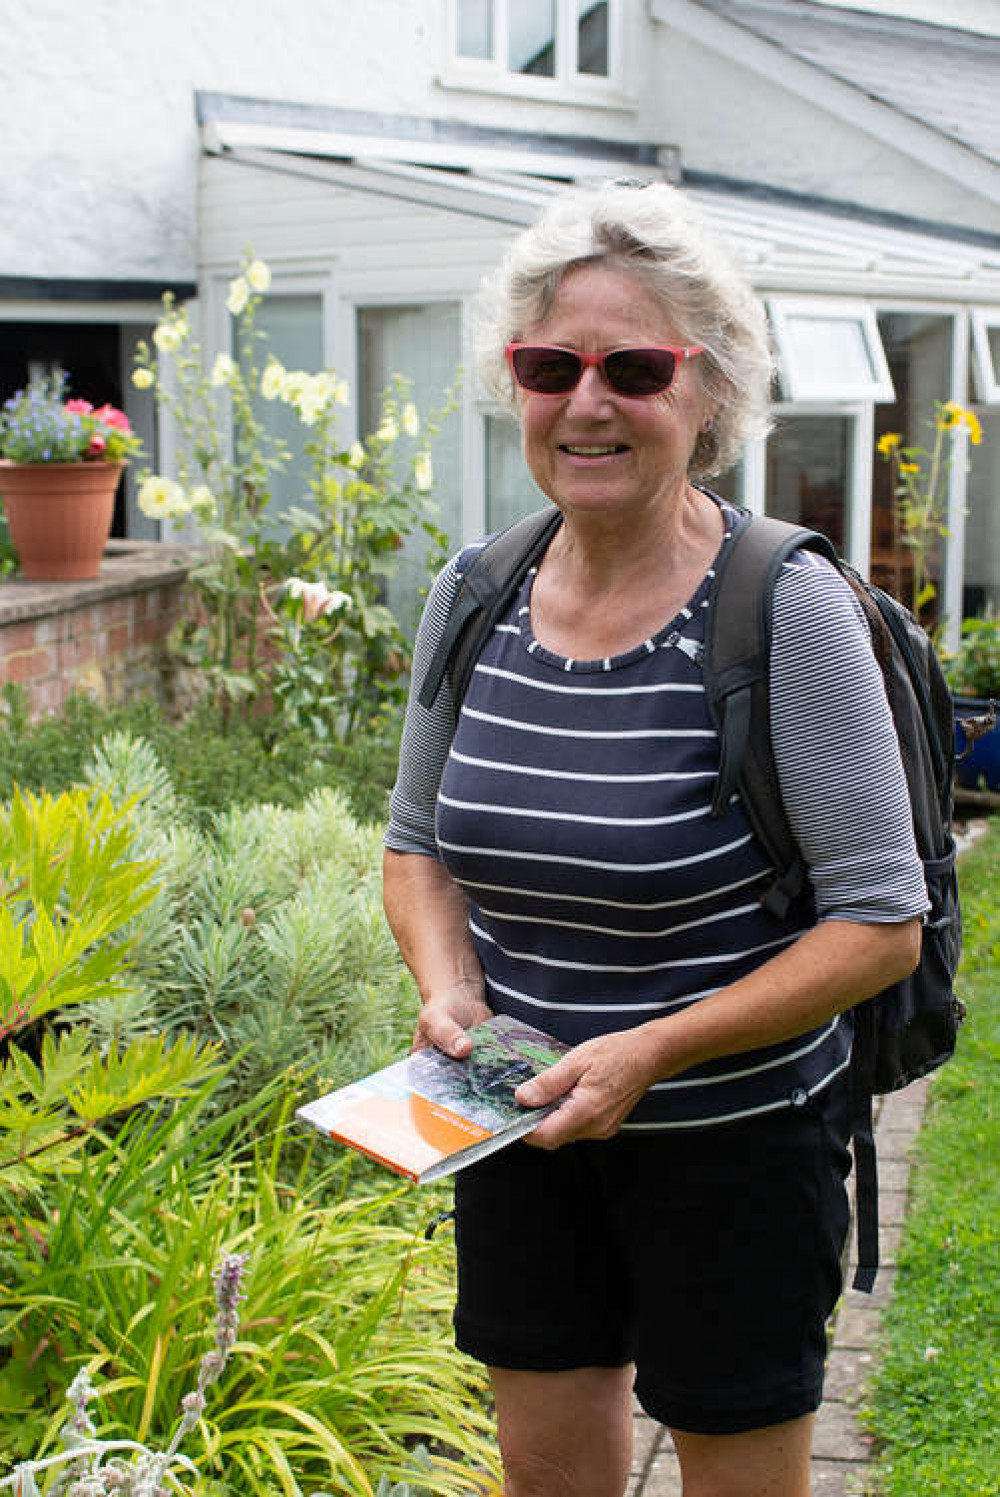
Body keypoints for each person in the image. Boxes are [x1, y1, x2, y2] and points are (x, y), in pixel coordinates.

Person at [382, 180, 926, 1497]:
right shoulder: (479, 589)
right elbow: (417, 849)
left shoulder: (781, 606)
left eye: (634, 367)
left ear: (710, 391)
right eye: (549, 365)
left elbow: (880, 926)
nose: (587, 402)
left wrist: (655, 1048)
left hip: (734, 1145)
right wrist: (449, 987)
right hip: (516, 1127)